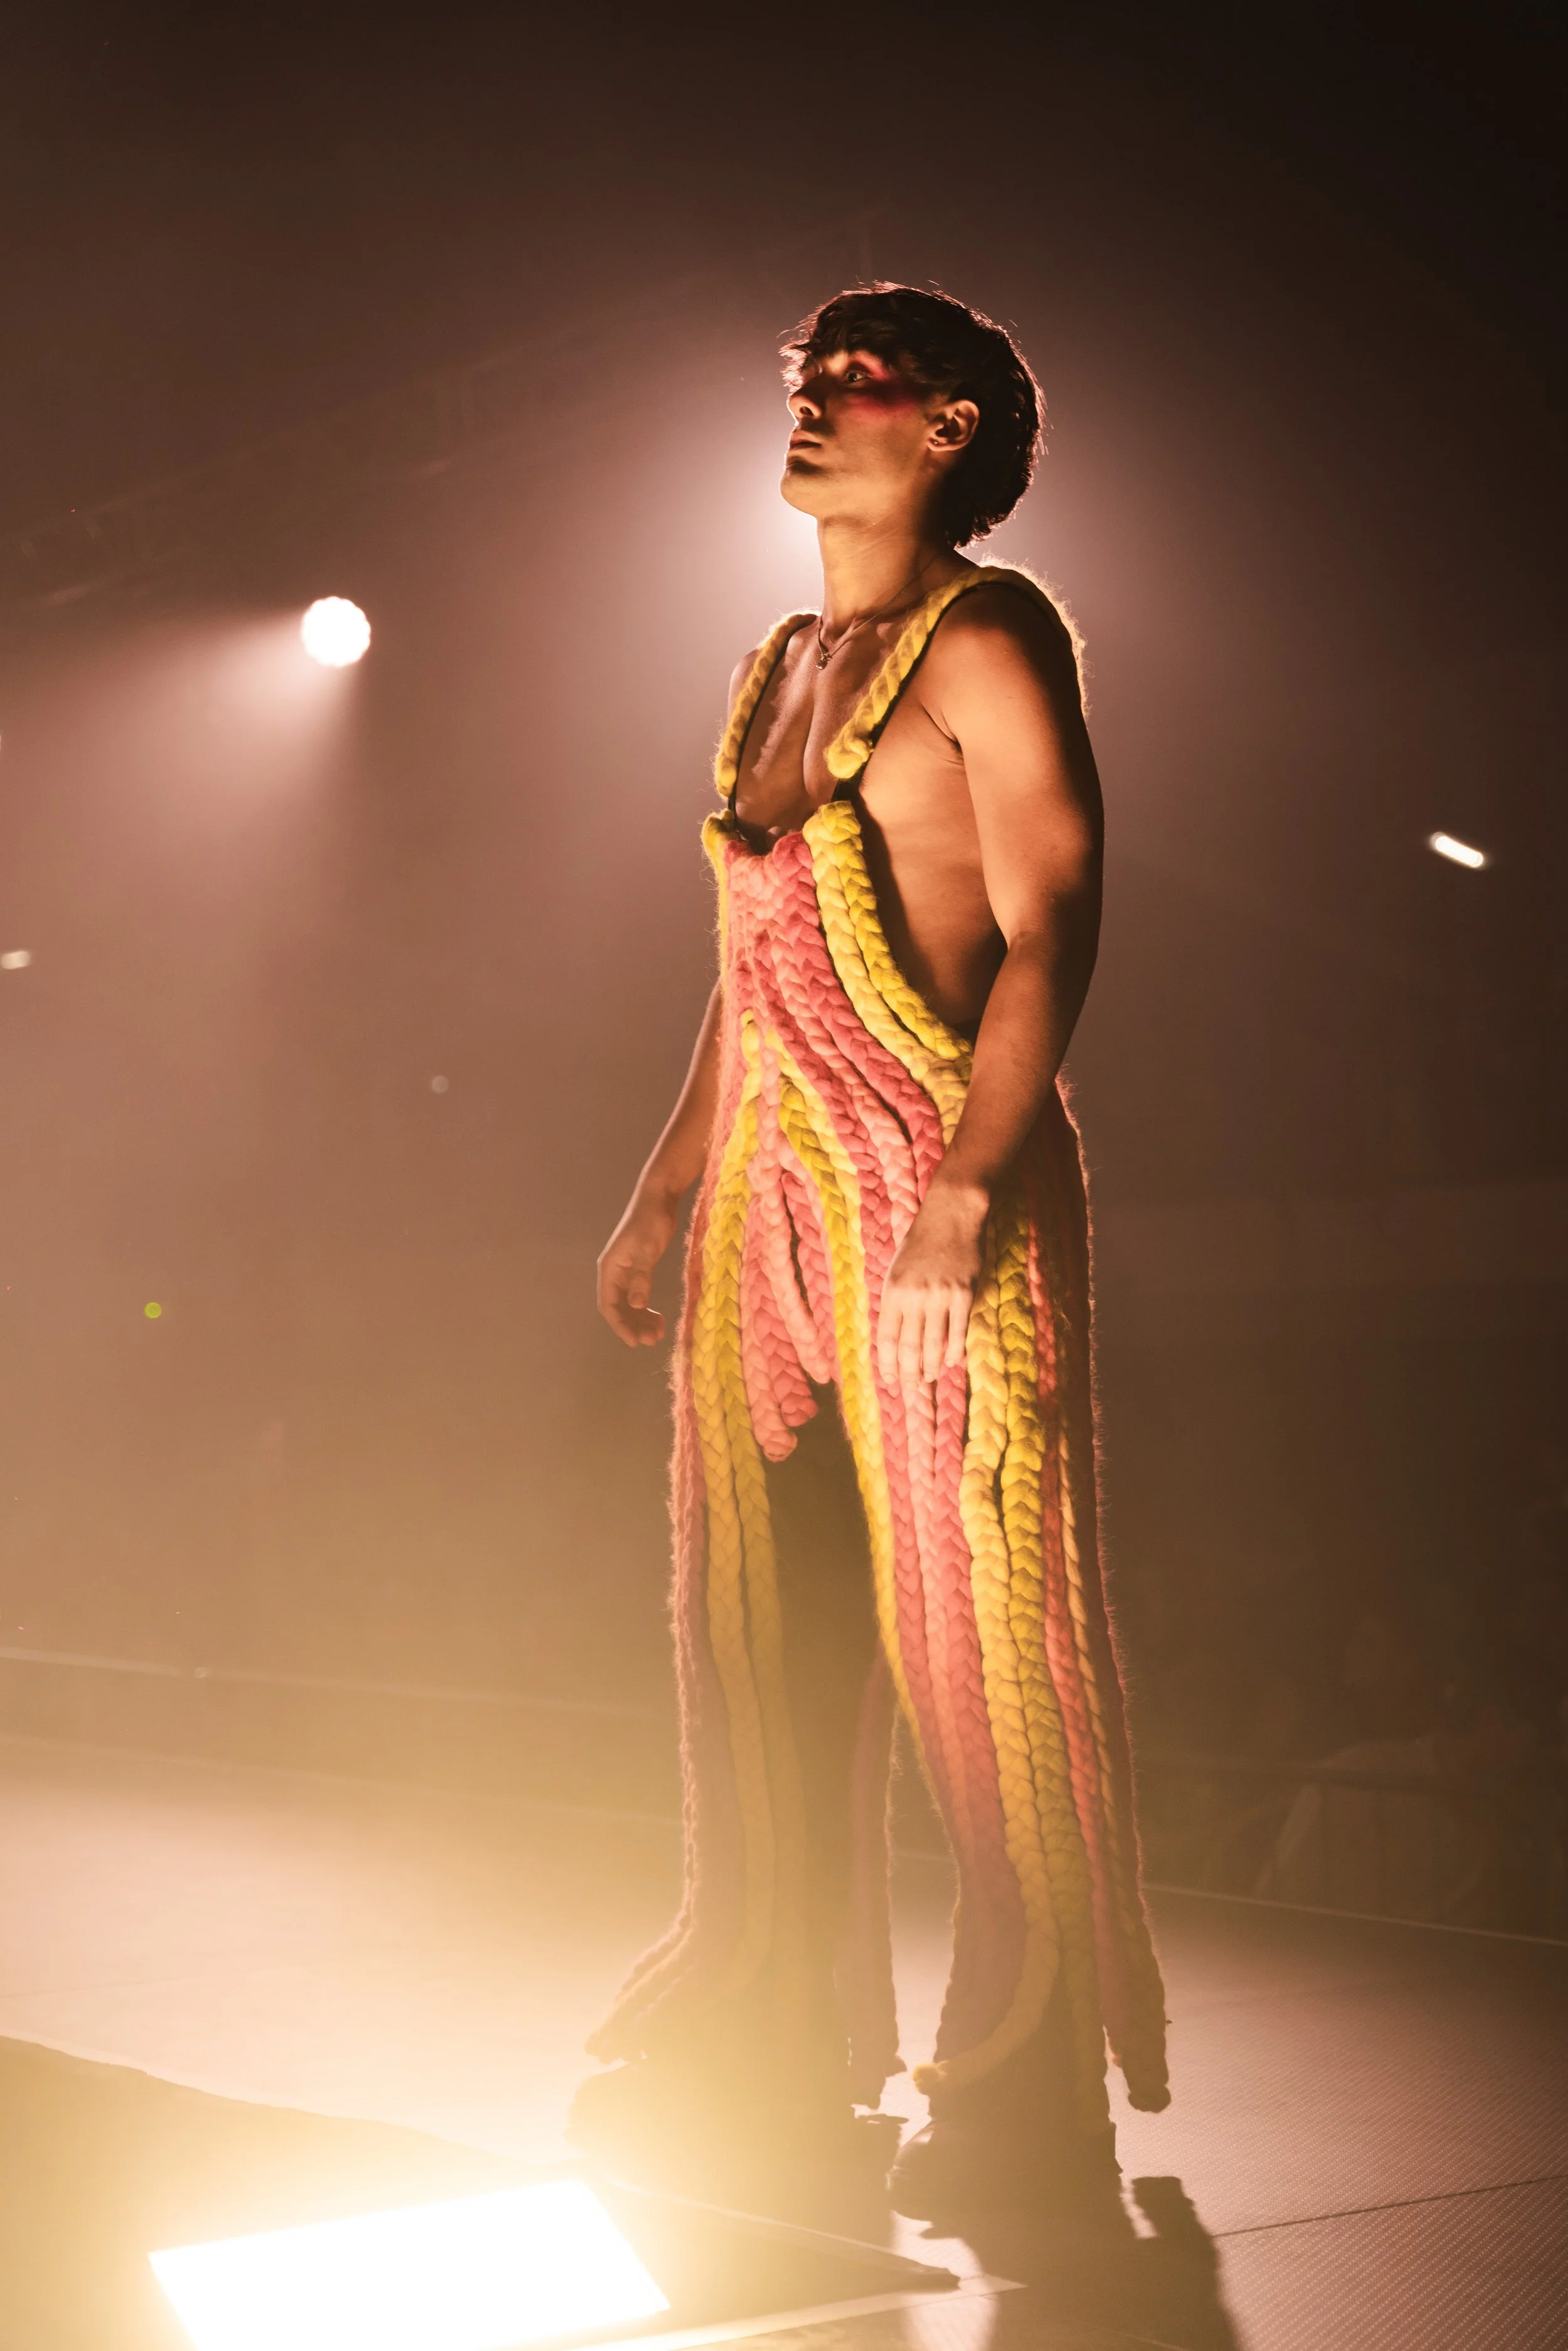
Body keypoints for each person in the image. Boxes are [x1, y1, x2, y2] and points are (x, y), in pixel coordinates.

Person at [574, 284, 1168, 2216]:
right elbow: (743, 977)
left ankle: (1023, 2067)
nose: (817, 406)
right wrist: (667, 1183)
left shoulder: (991, 634)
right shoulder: (771, 665)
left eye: (861, 386)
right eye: (804, 380)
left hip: (929, 1173)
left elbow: (1052, 907)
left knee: (978, 1641)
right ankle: (767, 2014)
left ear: (952, 429)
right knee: (764, 1631)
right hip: (768, 1196)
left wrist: (971, 1187)